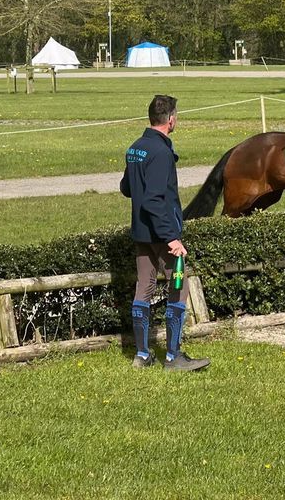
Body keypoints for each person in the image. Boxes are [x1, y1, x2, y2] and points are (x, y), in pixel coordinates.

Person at [119, 94, 210, 372]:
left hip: (141, 233)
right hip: (163, 235)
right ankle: (173, 357)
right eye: (177, 116)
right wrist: (171, 238)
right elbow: (155, 199)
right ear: (170, 119)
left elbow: (127, 188)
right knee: (178, 288)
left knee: (143, 288)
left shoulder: (136, 147)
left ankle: (142, 355)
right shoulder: (160, 152)